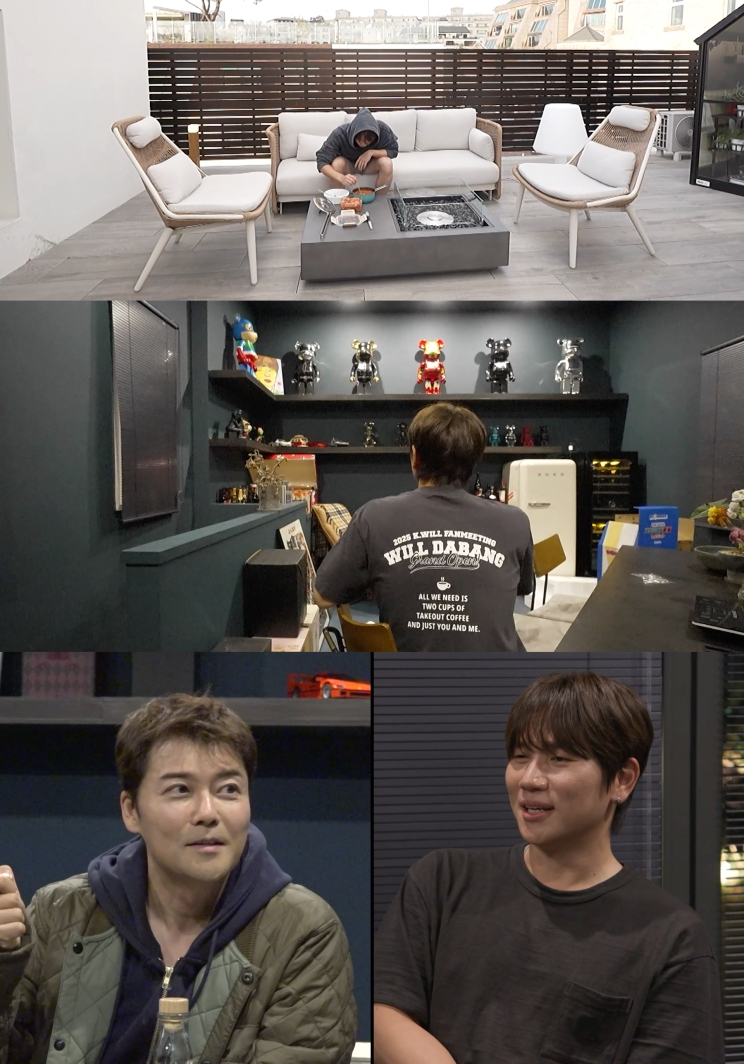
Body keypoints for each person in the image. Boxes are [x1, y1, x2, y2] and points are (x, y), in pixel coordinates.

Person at [374, 671, 725, 1064]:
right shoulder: (442, 881)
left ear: (622, 780)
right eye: (520, 757)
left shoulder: (671, 938)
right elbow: (385, 1011)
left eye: (558, 759)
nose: (530, 779)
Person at [0, 693, 356, 1064]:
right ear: (131, 811)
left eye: (228, 789)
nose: (208, 812)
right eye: (180, 790)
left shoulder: (302, 933)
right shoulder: (60, 912)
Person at [314, 403, 533, 650]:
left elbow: (321, 596)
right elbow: (520, 590)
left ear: (415, 456)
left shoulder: (373, 517)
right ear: (475, 460)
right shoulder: (516, 521)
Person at [316, 109, 398, 195]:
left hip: (370, 165)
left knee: (387, 163)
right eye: (359, 141)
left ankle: (380, 199)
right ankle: (339, 200)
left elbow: (394, 150)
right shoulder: (339, 134)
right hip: (347, 165)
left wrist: (371, 152)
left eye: (368, 143)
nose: (364, 145)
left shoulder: (383, 129)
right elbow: (321, 161)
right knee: (337, 164)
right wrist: (341, 177)